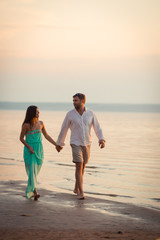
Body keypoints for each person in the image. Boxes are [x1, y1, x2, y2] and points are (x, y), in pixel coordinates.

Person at [56, 93, 105, 200]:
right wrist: (59, 143)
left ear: (82, 101)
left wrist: (101, 139)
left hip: (87, 143)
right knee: (79, 165)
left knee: (83, 166)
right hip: (75, 143)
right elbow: (64, 129)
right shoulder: (70, 114)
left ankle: (76, 187)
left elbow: (97, 127)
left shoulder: (91, 113)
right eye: (73, 100)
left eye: (76, 100)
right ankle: (81, 192)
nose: (74, 103)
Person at [20, 105, 60, 200]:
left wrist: (56, 144)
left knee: (35, 171)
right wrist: (29, 147)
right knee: (32, 172)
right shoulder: (26, 125)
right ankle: (35, 192)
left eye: (39, 111)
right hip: (30, 150)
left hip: (39, 149)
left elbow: (46, 136)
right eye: (37, 111)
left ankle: (32, 190)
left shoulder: (41, 123)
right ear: (32, 113)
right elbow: (21, 138)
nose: (39, 113)